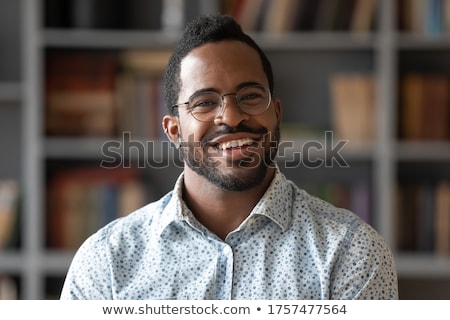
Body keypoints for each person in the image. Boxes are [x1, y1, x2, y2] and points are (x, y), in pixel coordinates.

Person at [60, 14, 398, 300]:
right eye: (205, 102)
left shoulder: (351, 252)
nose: (232, 117)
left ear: (276, 114)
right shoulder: (105, 261)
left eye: (250, 96)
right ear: (173, 130)